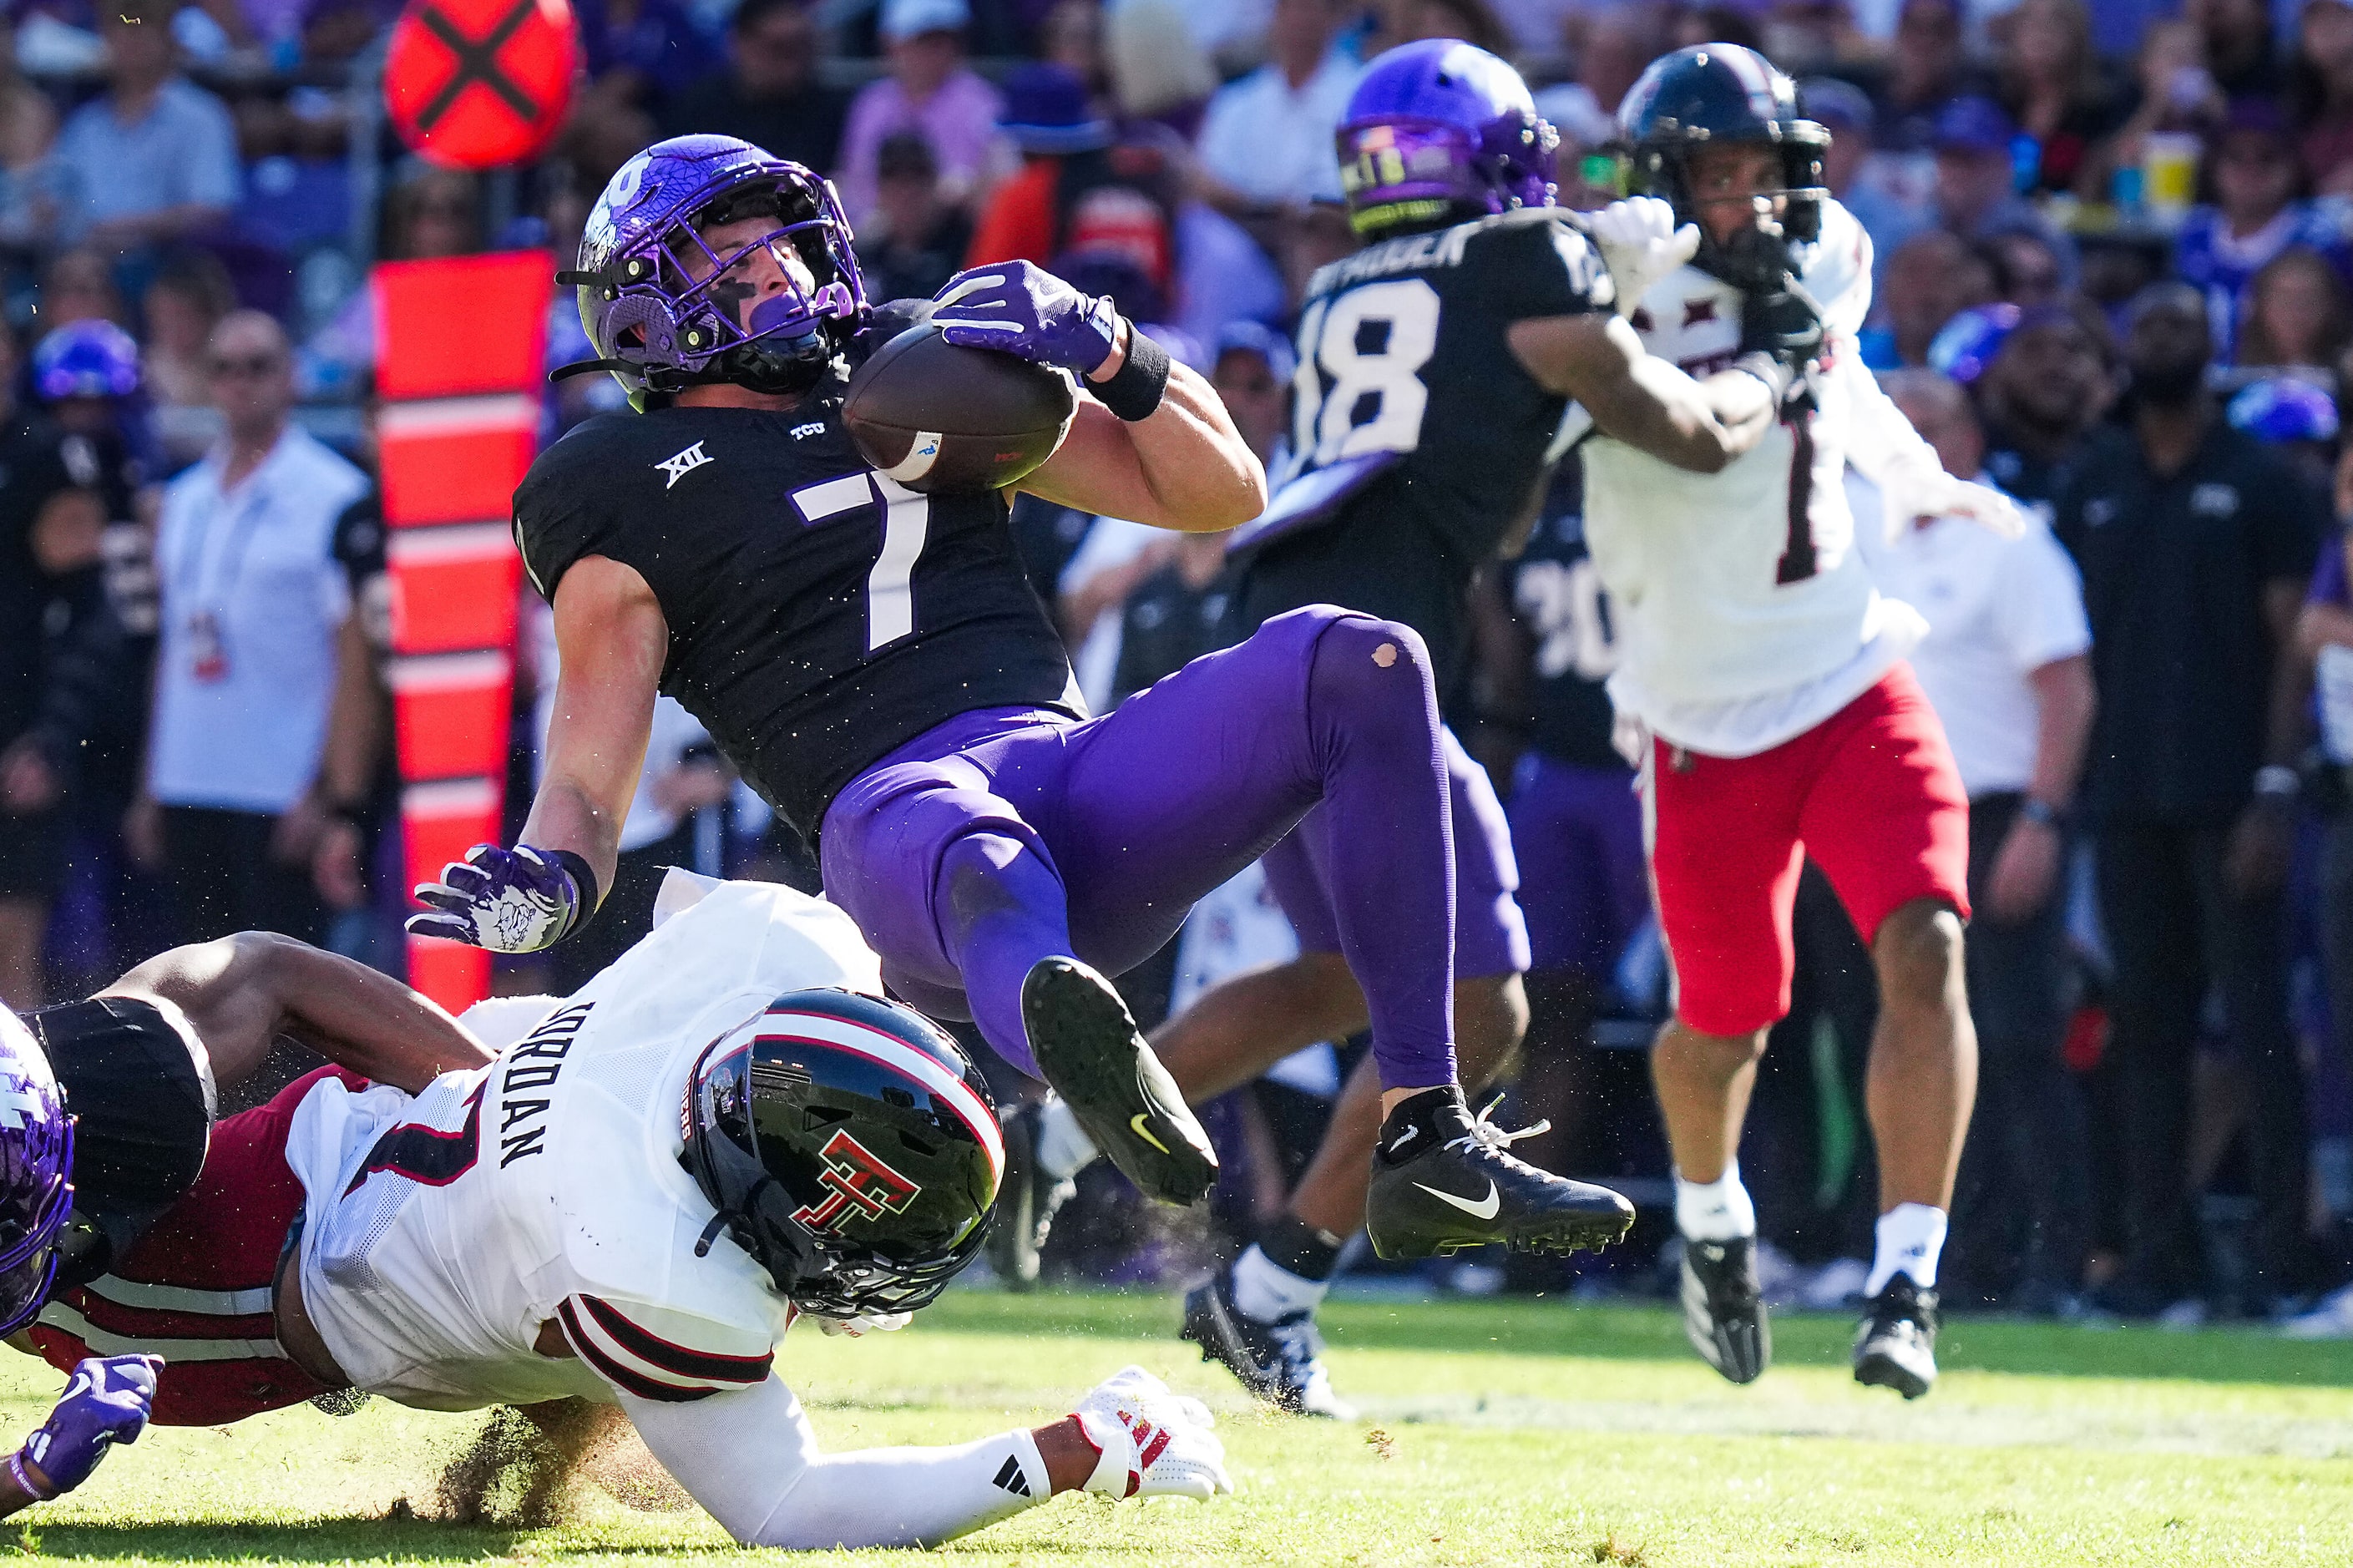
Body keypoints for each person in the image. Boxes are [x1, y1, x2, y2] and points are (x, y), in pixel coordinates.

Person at [408, 131, 1698, 1272]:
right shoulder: (610, 478)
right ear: (650, 306)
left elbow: (1217, 494)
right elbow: (586, 773)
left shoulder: (913, 370)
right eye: (734, 260)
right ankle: (1060, 1046)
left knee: (1359, 658)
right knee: (963, 832)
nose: (782, 277)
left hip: (1072, 772)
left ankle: (1427, 1132)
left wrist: (1114, 347)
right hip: (891, 829)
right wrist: (548, 879)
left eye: (784, 248)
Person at [993, 43, 1785, 1414]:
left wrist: (1587, 309)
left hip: (1281, 642)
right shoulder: (1522, 259)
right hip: (1369, 670)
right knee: (1479, 1011)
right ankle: (1272, 1289)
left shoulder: (1342, 281)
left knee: (1339, 981)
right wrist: (1764, 365)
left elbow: (1482, 468)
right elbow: (1683, 433)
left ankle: (1061, 1136)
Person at [46, 874, 1232, 1541]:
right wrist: (1070, 1451)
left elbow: (678, 895)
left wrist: (500, 1091)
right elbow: (790, 1505)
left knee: (247, 970)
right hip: (253, 1285)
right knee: (54, 1197)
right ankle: (41, 1102)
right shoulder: (654, 1268)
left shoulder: (784, 944)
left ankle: (45, 1086)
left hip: (357, 1126)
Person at [1591, 43, 2029, 1399]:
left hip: (1847, 672)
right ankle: (1712, 1217)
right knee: (1722, 1023)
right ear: (1664, 183)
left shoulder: (1827, 246)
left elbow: (1828, 374)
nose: (1743, 199)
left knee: (1925, 941)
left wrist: (1914, 473)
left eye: (1759, 171)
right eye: (1712, 175)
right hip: (1694, 711)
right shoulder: (1609, 282)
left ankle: (1905, 1276)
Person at [2052, 283, 2324, 1318]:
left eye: (2179, 328)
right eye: (2146, 327)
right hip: (2124, 800)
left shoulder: (2259, 484)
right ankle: (2151, 1256)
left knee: (2257, 1030)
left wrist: (2273, 785)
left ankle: (2281, 1258)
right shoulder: (2095, 482)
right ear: (2123, 347)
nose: (2162, 342)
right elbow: (2069, 644)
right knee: (2144, 1032)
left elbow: (2292, 650)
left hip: (2230, 801)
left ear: (2210, 347)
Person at [10, 929, 493, 1424]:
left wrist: (496, 1099)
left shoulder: (129, 1076)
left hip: (214, 1229)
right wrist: (28, 1475)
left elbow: (270, 970)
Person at [1850, 369, 2096, 1313]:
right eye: (1897, 426)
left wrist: (2041, 819)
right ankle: (1948, 1258)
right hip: (1884, 818)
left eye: (1933, 424)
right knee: (1906, 1034)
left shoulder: (2011, 538)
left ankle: (2055, 1262)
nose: (1913, 442)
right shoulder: (1855, 535)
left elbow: (2067, 690)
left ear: (1969, 437)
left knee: (2020, 1041)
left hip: (1994, 812)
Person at [131, 311, 372, 951]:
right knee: (196, 991)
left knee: (284, 1002)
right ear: (209, 383)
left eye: (258, 366)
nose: (241, 382)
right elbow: (175, 644)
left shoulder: (335, 495)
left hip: (281, 786)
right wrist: (149, 784)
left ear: (291, 378)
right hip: (188, 777)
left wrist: (329, 791)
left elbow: (354, 661)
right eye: (225, 368)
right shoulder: (183, 499)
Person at [2174, 102, 2353, 367]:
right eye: (2235, 156)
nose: (2250, 170)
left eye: (2267, 156)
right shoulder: (2193, 235)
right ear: (2213, 166)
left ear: (2293, 165)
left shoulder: (2324, 238)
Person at [52, 0, 238, 253]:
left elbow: (211, 208)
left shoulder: (202, 116)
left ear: (166, 37)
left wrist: (127, 228)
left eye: (140, 26)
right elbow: (57, 200)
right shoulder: (86, 124)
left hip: (168, 261)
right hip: (89, 260)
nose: (129, 39)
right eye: (119, 27)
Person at [834, 0, 1008, 225]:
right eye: (923, 41)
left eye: (945, 40)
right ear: (891, 43)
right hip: (875, 240)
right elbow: (855, 183)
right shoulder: (871, 104)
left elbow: (998, 188)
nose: (936, 51)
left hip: (955, 236)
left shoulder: (983, 103)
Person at [1192, 0, 1359, 219]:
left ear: (1334, 18)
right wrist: (1266, 209)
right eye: (1291, 8)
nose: (1301, 21)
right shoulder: (1237, 101)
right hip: (1250, 231)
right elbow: (1206, 182)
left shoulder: (1357, 93)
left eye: (1311, 9)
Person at [659, 0, 851, 174]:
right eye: (778, 47)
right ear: (740, 43)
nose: (790, 62)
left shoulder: (837, 112)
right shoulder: (700, 106)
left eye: (800, 46)